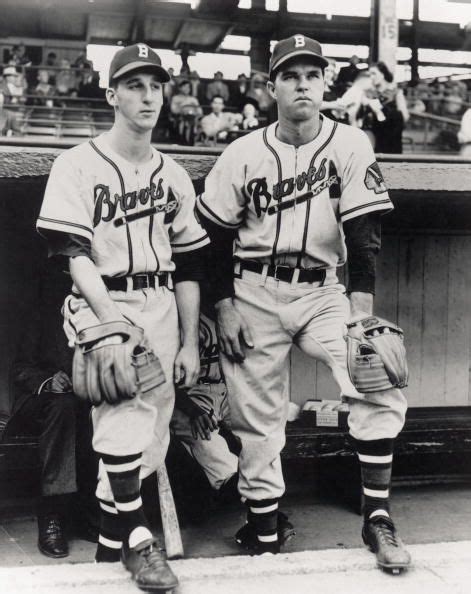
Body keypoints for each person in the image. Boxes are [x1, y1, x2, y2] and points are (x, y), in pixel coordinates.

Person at [196, 35, 411, 572]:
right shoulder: (243, 152)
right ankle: (264, 522)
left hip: (322, 290)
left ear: (325, 82)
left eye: (311, 75)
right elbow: (214, 237)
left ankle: (378, 518)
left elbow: (364, 231)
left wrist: (361, 312)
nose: (302, 84)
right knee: (257, 416)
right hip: (252, 291)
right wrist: (222, 306)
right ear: (272, 87)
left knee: (374, 375)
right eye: (290, 76)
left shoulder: (352, 143)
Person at [37, 43, 209, 593]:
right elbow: (70, 252)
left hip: (160, 303)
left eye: (155, 85)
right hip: (100, 303)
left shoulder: (175, 174)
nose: (147, 95)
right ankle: (139, 542)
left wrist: (187, 342)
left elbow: (189, 263)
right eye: (134, 85)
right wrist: (113, 323)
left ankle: (110, 543)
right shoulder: (77, 163)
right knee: (120, 412)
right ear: (111, 95)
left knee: (152, 434)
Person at [170, 284, 296, 547]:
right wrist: (192, 411)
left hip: (226, 390)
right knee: (213, 449)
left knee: (263, 427)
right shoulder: (180, 321)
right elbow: (164, 380)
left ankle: (265, 512)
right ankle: (264, 516)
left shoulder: (235, 314)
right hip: (188, 398)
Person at [2, 257, 98, 558]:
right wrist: (47, 380)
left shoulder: (100, 316)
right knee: (65, 407)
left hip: (80, 402)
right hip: (39, 404)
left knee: (96, 411)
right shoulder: (45, 318)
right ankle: (52, 515)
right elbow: (19, 369)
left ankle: (85, 513)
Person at [366, 62, 409, 154]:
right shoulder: (368, 93)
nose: (371, 77)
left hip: (392, 136)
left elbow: (405, 116)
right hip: (375, 136)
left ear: (383, 74)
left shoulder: (396, 92)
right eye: (369, 75)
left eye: (374, 73)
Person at [170, 79, 203, 144]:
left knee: (193, 122)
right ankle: (182, 140)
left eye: (188, 87)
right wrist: (183, 106)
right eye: (185, 87)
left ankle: (191, 141)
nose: (187, 89)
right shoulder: (175, 98)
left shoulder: (193, 99)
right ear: (180, 88)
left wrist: (194, 108)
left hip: (193, 119)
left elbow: (200, 112)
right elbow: (173, 110)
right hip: (180, 118)